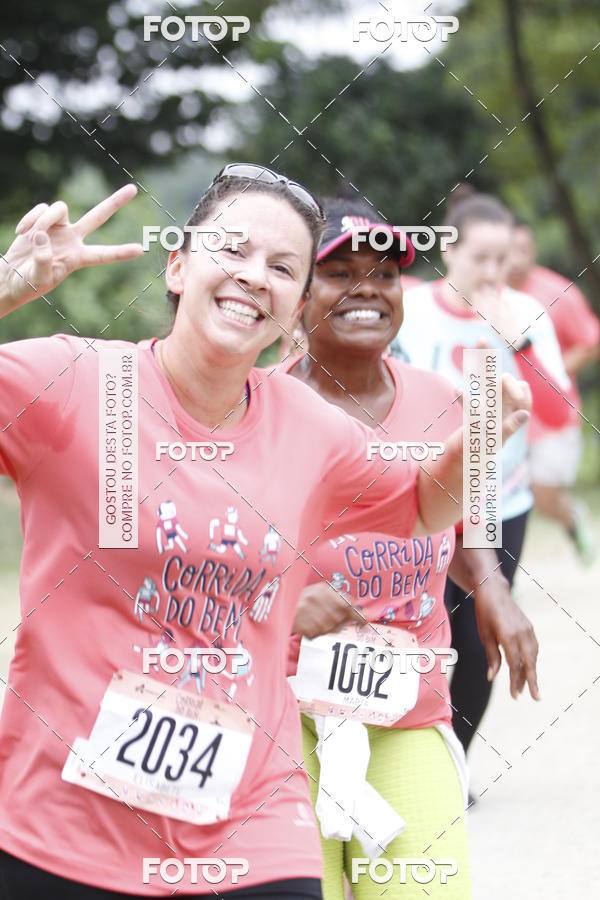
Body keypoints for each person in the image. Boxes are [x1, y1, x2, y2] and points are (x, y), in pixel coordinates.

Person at [0, 167, 531, 899]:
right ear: (178, 265)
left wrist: (481, 434)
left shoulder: (310, 428)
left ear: (293, 301)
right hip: (60, 824)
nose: (256, 277)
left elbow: (418, 506)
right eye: (232, 250)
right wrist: (7, 288)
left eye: (283, 267)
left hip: (252, 820)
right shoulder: (77, 383)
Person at [281, 198, 539, 900]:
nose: (367, 286)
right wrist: (277, 597)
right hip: (281, 708)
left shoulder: (438, 399)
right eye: (340, 272)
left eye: (385, 273)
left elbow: (453, 514)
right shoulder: (259, 406)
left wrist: (492, 586)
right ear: (299, 294)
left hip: (406, 700)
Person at [390, 190, 568, 761]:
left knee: (477, 635)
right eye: (480, 259)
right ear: (450, 250)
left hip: (499, 505)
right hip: (425, 498)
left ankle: (454, 759)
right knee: (422, 627)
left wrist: (519, 341)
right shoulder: (410, 311)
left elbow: (558, 413)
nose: (493, 273)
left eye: (503, 261)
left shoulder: (524, 315)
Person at [507, 223, 600, 563]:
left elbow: (590, 344)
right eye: (509, 251)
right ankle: (497, 576)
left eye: (523, 250)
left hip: (552, 413)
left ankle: (572, 518)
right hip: (507, 414)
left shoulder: (559, 292)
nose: (516, 260)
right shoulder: (487, 295)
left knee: (543, 493)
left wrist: (545, 373)